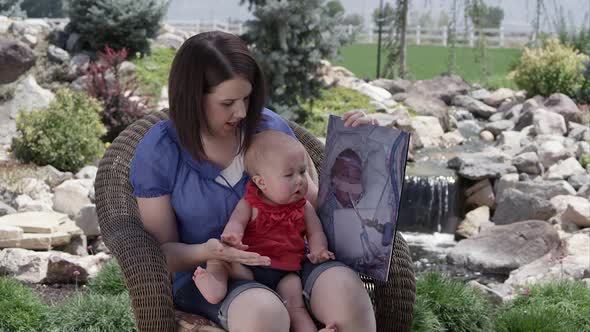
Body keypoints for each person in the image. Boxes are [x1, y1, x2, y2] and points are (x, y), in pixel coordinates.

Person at [130, 30, 377, 332]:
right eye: (228, 102)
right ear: (192, 98)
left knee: (347, 292)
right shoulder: (159, 151)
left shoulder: (268, 129)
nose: (242, 112)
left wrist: (361, 146)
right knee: (264, 313)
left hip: (291, 262)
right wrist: (210, 252)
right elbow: (163, 254)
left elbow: (325, 207)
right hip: (214, 277)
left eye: (246, 98)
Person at [194, 130, 336, 332]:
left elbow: (315, 233)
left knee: (296, 307)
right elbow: (236, 223)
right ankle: (214, 281)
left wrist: (318, 249)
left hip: (286, 272)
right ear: (261, 182)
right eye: (289, 175)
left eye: (303, 171)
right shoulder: (251, 203)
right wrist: (233, 236)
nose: (300, 180)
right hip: (251, 265)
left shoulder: (303, 207)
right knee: (224, 260)